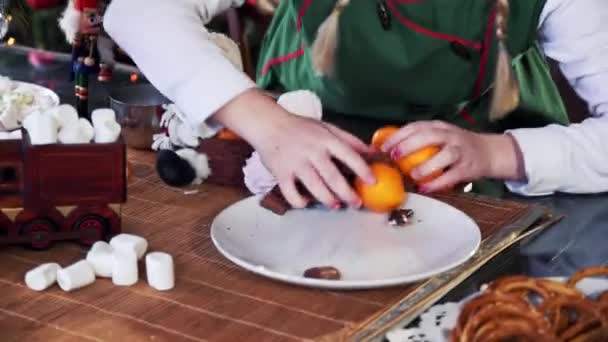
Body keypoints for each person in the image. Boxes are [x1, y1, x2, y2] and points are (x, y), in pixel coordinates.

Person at [103, 0, 608, 210]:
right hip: (295, 135)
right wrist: (272, 127)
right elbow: (138, 12)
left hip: (479, 157)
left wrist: (496, 154)